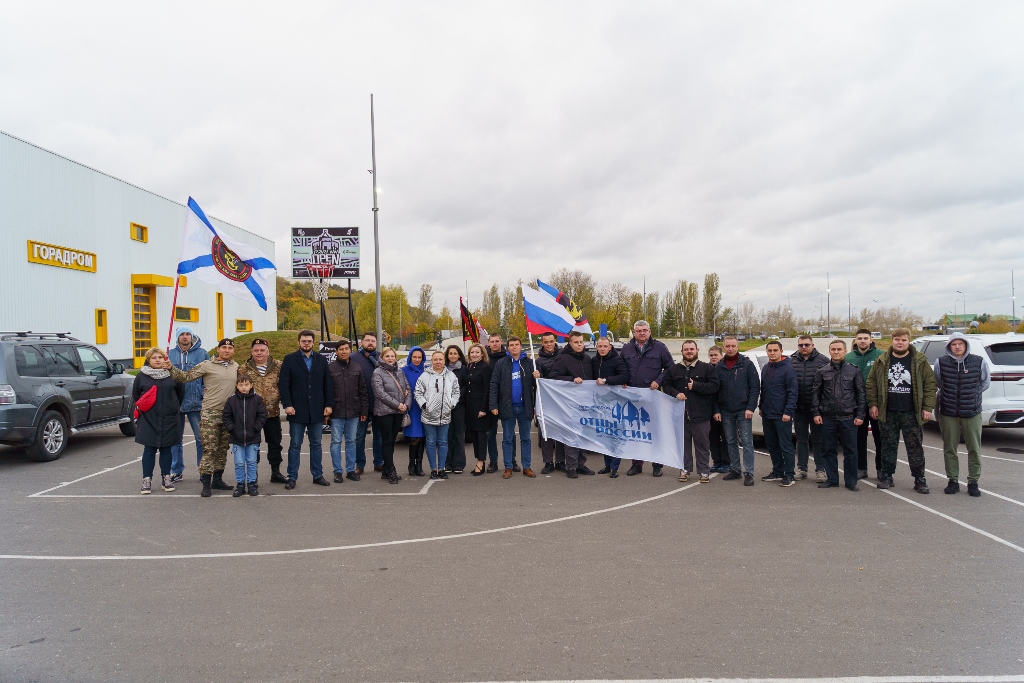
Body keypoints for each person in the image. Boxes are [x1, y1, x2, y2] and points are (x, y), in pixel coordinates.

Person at [168, 338, 242, 497]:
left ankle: (218, 479)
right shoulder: (207, 365)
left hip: (229, 414)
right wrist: (170, 368)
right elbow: (185, 377)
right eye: (224, 347)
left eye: (230, 348)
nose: (227, 350)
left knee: (222, 449)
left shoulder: (236, 367)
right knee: (209, 448)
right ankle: (206, 482)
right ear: (218, 349)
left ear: (233, 351)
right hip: (210, 412)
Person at [866, 328, 937, 493]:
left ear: (908, 341)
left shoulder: (919, 360)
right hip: (888, 411)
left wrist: (927, 407)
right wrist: (873, 404)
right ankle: (887, 476)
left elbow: (930, 384)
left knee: (915, 447)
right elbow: (871, 383)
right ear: (892, 341)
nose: (900, 343)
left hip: (911, 412)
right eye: (897, 339)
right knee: (887, 446)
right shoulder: (882, 360)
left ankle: (919, 479)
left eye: (904, 340)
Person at [934, 332, 989, 497]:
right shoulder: (941, 362)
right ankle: (953, 480)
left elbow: (985, 383)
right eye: (954, 344)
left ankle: (973, 481)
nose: (957, 347)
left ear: (966, 345)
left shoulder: (978, 361)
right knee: (949, 447)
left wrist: (972, 395)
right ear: (949, 346)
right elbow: (939, 382)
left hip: (971, 411)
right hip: (948, 411)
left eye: (960, 344)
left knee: (974, 448)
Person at [278, 330, 334, 490]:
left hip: (317, 410)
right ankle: (292, 477)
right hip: (296, 410)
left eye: (309, 341)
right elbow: (284, 384)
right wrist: (287, 405)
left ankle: (317, 475)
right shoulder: (289, 359)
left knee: (316, 444)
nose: (306, 343)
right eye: (303, 341)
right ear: (299, 342)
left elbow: (327, 384)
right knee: (295, 444)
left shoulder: (321, 360)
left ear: (313, 342)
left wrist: (328, 405)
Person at [662, 340, 720, 484]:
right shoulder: (674, 369)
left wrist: (697, 386)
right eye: (686, 349)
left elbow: (714, 386)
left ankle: (704, 472)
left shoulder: (706, 369)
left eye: (691, 349)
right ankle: (685, 470)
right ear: (682, 351)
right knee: (683, 445)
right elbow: (666, 385)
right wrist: (676, 393)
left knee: (702, 445)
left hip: (701, 415)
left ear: (697, 350)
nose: (689, 351)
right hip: (680, 415)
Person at [620, 320, 673, 476]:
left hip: (652, 397)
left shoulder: (660, 348)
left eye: (644, 330)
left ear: (649, 331)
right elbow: (621, 367)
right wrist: (622, 379)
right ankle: (637, 464)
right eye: (638, 331)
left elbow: (670, 367)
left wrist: (658, 381)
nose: (641, 333)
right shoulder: (627, 348)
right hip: (632, 396)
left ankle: (657, 465)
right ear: (634, 332)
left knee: (654, 431)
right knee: (635, 431)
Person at [812, 340, 866, 492]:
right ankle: (832, 479)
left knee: (850, 451)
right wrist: (816, 413)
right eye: (833, 349)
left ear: (845, 351)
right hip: (828, 417)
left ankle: (851, 481)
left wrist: (860, 414)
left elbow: (861, 394)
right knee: (828, 450)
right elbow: (815, 394)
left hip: (848, 417)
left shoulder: (854, 371)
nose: (836, 352)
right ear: (829, 351)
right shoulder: (822, 371)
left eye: (839, 349)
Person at [132, 347, 183, 494]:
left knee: (167, 449)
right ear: (149, 360)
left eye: (160, 357)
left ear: (164, 358)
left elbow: (180, 393)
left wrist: (172, 407)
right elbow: (137, 395)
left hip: (169, 419)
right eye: (154, 358)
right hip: (149, 419)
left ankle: (166, 477)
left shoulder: (172, 375)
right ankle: (146, 479)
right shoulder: (141, 376)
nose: (157, 360)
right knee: (149, 449)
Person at [713, 335, 761, 486]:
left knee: (747, 442)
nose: (730, 348)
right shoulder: (719, 366)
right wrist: (717, 410)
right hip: (725, 410)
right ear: (723, 347)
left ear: (737, 347)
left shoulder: (746, 364)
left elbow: (755, 387)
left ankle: (749, 473)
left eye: (733, 346)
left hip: (743, 410)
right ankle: (735, 469)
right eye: (728, 346)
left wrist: (750, 407)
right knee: (730, 441)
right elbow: (715, 390)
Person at [490, 336, 537, 478]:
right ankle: (508, 467)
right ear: (508, 347)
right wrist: (493, 404)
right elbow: (494, 384)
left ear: (521, 346)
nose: (514, 347)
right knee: (507, 438)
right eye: (511, 345)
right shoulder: (501, 363)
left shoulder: (530, 363)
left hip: (525, 407)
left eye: (517, 344)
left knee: (526, 439)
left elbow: (538, 387)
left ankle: (527, 466)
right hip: (507, 407)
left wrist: (538, 377)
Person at [550, 331, 594, 479]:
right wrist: (571, 379)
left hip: (585, 403)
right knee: (571, 435)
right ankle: (571, 466)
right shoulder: (563, 359)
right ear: (570, 343)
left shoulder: (587, 359)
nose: (579, 345)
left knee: (583, 434)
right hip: (569, 403)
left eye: (581, 342)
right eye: (576, 342)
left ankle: (581, 464)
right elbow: (553, 376)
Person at [244, 338, 285, 483]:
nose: (259, 353)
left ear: (268, 352)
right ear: (251, 352)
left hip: (272, 412)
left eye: (262, 350)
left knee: (275, 443)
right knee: (253, 445)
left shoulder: (279, 366)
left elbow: (286, 385)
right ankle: (253, 475)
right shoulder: (243, 368)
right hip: (252, 415)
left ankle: (276, 472)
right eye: (256, 350)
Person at [328, 338, 369, 483]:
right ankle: (337, 471)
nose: (344, 351)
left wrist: (364, 411)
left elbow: (363, 391)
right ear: (336, 351)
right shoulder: (330, 368)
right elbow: (326, 391)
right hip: (337, 412)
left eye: (346, 349)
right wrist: (326, 410)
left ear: (350, 350)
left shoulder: (357, 367)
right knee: (336, 442)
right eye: (341, 349)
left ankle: (350, 470)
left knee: (351, 441)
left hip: (354, 411)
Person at [168, 326, 205, 483]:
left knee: (200, 438)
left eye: (187, 334)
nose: (185, 337)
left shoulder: (202, 353)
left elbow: (207, 375)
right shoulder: (169, 354)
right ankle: (177, 470)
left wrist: (204, 392)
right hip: (175, 402)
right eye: (182, 334)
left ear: (192, 336)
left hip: (195, 401)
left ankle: (203, 470)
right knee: (175, 439)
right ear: (177, 337)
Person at [846, 329, 884, 480]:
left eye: (865, 338)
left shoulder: (881, 355)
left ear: (871, 339)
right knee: (859, 439)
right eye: (860, 338)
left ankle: (882, 470)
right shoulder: (848, 357)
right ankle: (861, 468)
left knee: (880, 439)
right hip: (856, 406)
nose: (862, 341)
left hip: (876, 405)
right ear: (855, 340)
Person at [759, 340, 798, 487]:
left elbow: (793, 392)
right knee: (772, 444)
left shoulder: (788, 369)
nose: (772, 353)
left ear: (781, 351)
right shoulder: (766, 368)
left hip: (782, 415)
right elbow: (764, 389)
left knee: (785, 445)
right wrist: (761, 406)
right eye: (770, 350)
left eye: (775, 350)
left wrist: (788, 411)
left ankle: (789, 475)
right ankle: (777, 471)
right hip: (767, 414)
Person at [416, 350, 461, 479]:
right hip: (428, 416)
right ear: (432, 361)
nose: (438, 362)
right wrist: (425, 406)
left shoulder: (451, 376)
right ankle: (433, 469)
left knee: (443, 442)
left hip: (445, 415)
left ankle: (441, 468)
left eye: (440, 359)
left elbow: (456, 392)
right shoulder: (424, 376)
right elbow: (418, 393)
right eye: (435, 359)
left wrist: (451, 404)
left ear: (444, 360)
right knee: (430, 442)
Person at [222, 373, 268, 497]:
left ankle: (252, 484)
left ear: (251, 385)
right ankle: (240, 485)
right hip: (237, 438)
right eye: (241, 385)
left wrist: (256, 427)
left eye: (246, 385)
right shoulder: (231, 400)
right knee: (239, 463)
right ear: (237, 386)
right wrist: (232, 428)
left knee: (252, 462)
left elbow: (262, 415)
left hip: (253, 437)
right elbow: (226, 416)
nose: (243, 387)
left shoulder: (257, 399)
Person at [790, 335, 829, 482]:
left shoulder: (823, 361)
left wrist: (822, 407)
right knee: (801, 440)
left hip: (817, 409)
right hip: (799, 407)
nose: (803, 348)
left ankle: (820, 470)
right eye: (801, 345)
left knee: (818, 440)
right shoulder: (792, 361)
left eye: (806, 345)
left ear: (813, 345)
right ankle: (801, 469)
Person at [592, 336, 631, 477]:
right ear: (596, 347)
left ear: (610, 347)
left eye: (605, 346)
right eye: (600, 346)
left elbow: (625, 376)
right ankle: (607, 465)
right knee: (604, 436)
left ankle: (615, 467)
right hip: (600, 405)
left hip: (615, 404)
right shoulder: (594, 361)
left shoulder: (617, 360)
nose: (602, 349)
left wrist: (607, 380)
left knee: (615, 436)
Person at [371, 347, 409, 484]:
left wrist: (406, 404)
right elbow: (380, 393)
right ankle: (391, 470)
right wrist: (397, 404)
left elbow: (407, 390)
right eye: (387, 356)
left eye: (392, 356)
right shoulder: (378, 372)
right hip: (384, 412)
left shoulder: (400, 372)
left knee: (392, 441)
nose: (390, 358)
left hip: (398, 412)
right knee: (387, 441)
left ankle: (386, 470)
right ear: (382, 357)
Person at [533, 332, 565, 474]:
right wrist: (536, 376)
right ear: (542, 343)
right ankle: (548, 463)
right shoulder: (538, 361)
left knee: (561, 432)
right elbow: (535, 385)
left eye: (551, 341)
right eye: (546, 342)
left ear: (555, 341)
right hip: (546, 401)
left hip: (562, 400)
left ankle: (560, 461)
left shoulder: (563, 356)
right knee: (546, 433)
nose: (549, 344)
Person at [351, 332, 383, 474]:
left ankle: (379, 462)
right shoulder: (353, 358)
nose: (370, 343)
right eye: (367, 340)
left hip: (380, 404)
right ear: (361, 342)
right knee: (359, 436)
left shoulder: (381, 357)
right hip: (361, 405)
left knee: (379, 435)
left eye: (373, 341)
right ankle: (360, 464)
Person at [464, 343, 494, 476]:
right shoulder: (471, 367)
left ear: (482, 354)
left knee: (481, 436)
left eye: (477, 352)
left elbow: (487, 390)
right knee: (474, 436)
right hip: (471, 406)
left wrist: (484, 408)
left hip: (481, 407)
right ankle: (478, 460)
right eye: (472, 352)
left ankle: (481, 462)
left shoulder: (486, 368)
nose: (474, 355)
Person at [485, 333, 510, 472]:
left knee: (509, 434)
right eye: (492, 341)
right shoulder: (485, 358)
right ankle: (493, 461)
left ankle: (511, 462)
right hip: (490, 400)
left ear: (501, 342)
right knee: (490, 433)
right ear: (488, 343)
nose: (495, 343)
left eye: (497, 341)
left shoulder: (508, 357)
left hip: (506, 399)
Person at [402, 347, 427, 476]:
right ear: (410, 357)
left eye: (419, 357)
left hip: (424, 408)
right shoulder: (404, 371)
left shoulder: (428, 371)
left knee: (422, 437)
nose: (417, 360)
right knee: (414, 437)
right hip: (412, 408)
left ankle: (419, 465)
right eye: (414, 357)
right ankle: (411, 464)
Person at [445, 345, 469, 474]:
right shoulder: (443, 369)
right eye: (450, 353)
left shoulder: (463, 369)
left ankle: (459, 464)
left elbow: (465, 386)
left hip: (459, 406)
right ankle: (447, 463)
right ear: (447, 355)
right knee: (447, 435)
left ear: (459, 355)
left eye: (455, 353)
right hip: (445, 407)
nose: (453, 356)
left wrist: (456, 398)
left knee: (459, 435)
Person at [707, 346, 729, 473]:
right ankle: (716, 461)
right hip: (710, 409)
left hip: (724, 408)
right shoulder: (707, 369)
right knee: (713, 437)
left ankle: (726, 461)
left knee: (725, 437)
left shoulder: (725, 369)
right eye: (711, 355)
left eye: (716, 355)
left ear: (721, 355)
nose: (713, 357)